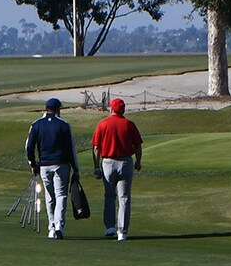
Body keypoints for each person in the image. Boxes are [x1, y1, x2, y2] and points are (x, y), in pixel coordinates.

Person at [24, 97, 79, 240]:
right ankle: (59, 225)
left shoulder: (36, 124)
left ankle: (51, 228)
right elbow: (70, 148)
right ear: (57, 109)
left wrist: (33, 164)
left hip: (44, 166)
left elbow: (29, 147)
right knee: (61, 195)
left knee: (50, 197)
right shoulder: (64, 124)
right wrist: (75, 167)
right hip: (61, 164)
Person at [91, 97, 142, 241]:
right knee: (124, 198)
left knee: (109, 196)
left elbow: (96, 148)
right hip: (125, 162)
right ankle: (122, 232)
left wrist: (96, 166)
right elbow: (138, 146)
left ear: (111, 109)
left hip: (108, 163)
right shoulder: (129, 125)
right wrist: (138, 161)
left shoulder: (103, 124)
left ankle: (110, 227)